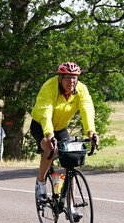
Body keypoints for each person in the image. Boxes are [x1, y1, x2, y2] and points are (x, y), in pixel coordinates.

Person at [30, 62, 98, 201]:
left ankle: (70, 204)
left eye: (74, 78)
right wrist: (49, 134)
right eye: (67, 77)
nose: (71, 81)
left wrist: (91, 133)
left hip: (60, 128)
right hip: (41, 125)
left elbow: (87, 110)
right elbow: (46, 112)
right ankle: (41, 182)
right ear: (60, 78)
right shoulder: (49, 87)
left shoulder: (81, 90)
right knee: (50, 148)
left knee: (70, 160)